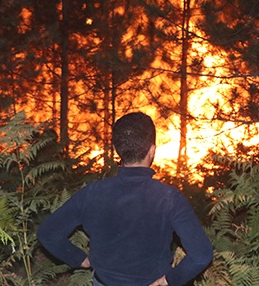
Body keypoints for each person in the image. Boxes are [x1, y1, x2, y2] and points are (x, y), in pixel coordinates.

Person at [37, 112, 213, 285]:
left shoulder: (92, 193)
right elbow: (201, 254)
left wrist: (79, 258)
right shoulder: (169, 197)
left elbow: (48, 233)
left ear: (116, 150)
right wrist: (170, 280)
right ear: (152, 150)